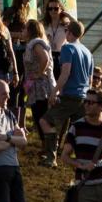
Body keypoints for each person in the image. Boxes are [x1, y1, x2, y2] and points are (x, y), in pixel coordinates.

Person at [41, 19, 94, 168]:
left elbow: (65, 73)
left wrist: (54, 92)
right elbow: (90, 80)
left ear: (69, 33)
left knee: (45, 121)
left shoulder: (67, 49)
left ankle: (51, 157)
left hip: (70, 95)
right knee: (77, 130)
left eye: (66, 31)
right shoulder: (87, 52)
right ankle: (82, 158)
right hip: (83, 97)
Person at [23, 18, 54, 141]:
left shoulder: (36, 43)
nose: (23, 30)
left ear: (31, 31)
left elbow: (45, 58)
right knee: (38, 116)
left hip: (41, 87)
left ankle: (48, 146)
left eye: (25, 28)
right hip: (35, 86)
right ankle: (45, 145)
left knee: (41, 116)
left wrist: (38, 73)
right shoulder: (34, 43)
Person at [43, 0, 71, 77]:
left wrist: (68, 16)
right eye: (50, 9)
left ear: (61, 9)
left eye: (56, 8)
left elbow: (79, 30)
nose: (53, 11)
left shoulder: (66, 25)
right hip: (48, 56)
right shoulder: (44, 24)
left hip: (61, 57)